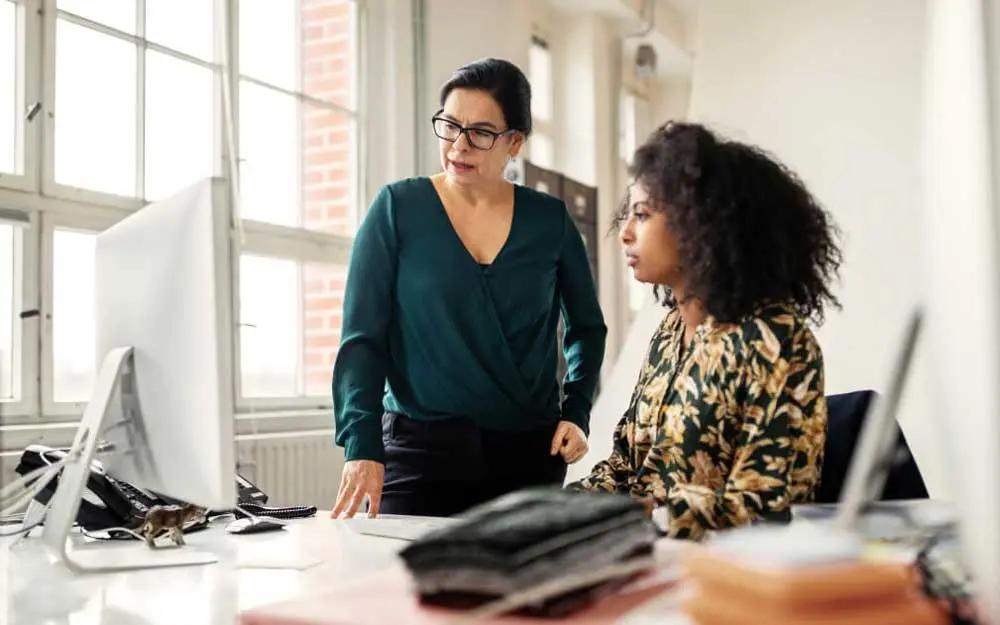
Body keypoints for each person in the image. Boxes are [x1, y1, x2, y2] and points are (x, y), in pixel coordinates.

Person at [331, 58, 606, 518]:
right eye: (450, 125)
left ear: (514, 142)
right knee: (395, 567)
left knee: (526, 570)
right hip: (417, 453)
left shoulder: (550, 221)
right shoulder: (397, 209)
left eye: (480, 132)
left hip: (528, 457)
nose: (459, 145)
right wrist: (361, 443)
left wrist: (576, 412)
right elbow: (362, 339)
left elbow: (586, 327)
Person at [569, 122, 841, 540]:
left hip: (715, 567)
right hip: (638, 552)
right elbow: (625, 467)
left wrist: (646, 514)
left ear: (700, 225)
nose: (625, 233)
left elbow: (769, 507)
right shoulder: (669, 333)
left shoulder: (775, 340)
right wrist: (554, 510)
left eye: (642, 215)